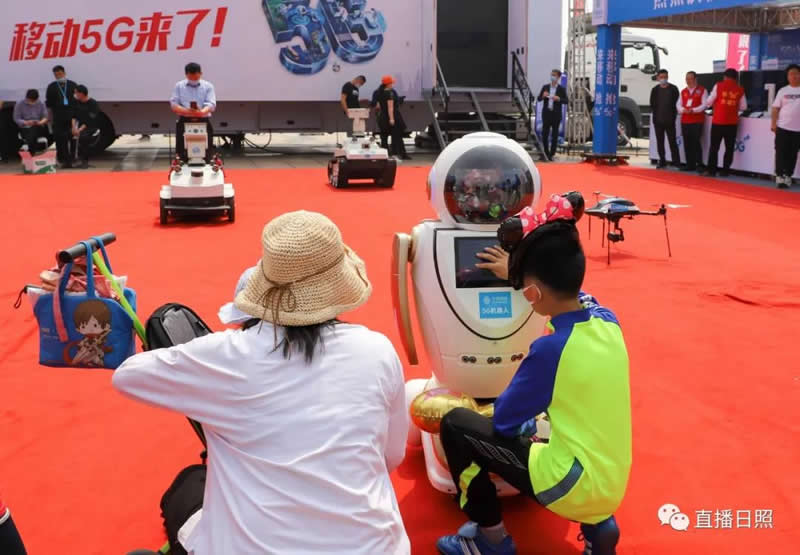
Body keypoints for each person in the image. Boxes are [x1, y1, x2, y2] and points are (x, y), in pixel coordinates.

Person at [112, 210, 410, 555]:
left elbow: (127, 375)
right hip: (376, 547)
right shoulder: (377, 349)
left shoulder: (227, 354)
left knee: (187, 488)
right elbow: (390, 456)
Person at [435, 198, 632, 555]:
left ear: (533, 292)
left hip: (569, 486)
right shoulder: (608, 321)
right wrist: (519, 270)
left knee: (457, 426)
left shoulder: (549, 351)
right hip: (611, 483)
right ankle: (600, 528)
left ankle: (489, 539)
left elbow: (505, 421)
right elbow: (582, 297)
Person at [704, 68, 747, 177]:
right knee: (729, 148)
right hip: (732, 123)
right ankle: (725, 171)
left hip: (718, 121)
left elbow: (708, 102)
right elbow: (743, 107)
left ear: (725, 77)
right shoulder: (740, 89)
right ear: (736, 78)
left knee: (714, 147)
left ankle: (711, 171)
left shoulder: (718, 86)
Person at [170, 63, 216, 163]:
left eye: (196, 78)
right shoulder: (179, 86)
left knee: (206, 146)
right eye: (191, 78)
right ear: (186, 75)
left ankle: (206, 164)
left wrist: (201, 112)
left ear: (201, 74)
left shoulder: (208, 86)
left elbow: (211, 104)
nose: (193, 80)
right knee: (182, 148)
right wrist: (187, 111)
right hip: (185, 120)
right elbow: (174, 104)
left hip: (203, 120)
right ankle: (182, 165)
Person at [771, 64, 800, 189]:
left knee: (793, 153)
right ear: (787, 77)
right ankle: (779, 176)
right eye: (791, 74)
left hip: (798, 129)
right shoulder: (783, 91)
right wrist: (773, 123)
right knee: (780, 152)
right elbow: (775, 108)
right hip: (783, 127)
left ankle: (788, 175)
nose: (794, 76)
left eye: (796, 73)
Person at [45, 65, 78, 168]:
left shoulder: (72, 85)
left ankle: (72, 159)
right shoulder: (51, 87)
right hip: (58, 116)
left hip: (71, 115)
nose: (58, 76)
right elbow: (49, 103)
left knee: (73, 138)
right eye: (56, 75)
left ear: (64, 73)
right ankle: (62, 159)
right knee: (59, 139)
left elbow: (77, 100)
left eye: (60, 74)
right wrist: (49, 117)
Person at [676, 71, 708, 173]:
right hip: (685, 120)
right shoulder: (683, 91)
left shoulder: (702, 90)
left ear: (695, 79)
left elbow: (705, 104)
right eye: (687, 79)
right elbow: (678, 104)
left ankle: (699, 164)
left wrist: (693, 110)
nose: (688, 81)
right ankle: (690, 164)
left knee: (696, 142)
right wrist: (683, 110)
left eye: (690, 78)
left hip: (697, 120)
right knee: (687, 143)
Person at [649, 69, 681, 169]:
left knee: (672, 142)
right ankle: (662, 161)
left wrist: (673, 116)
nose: (663, 79)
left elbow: (677, 103)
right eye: (661, 77)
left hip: (670, 120)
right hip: (658, 121)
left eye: (665, 77)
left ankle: (676, 162)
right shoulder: (655, 90)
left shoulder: (673, 89)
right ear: (658, 78)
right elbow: (652, 104)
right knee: (660, 142)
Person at [378, 75, 411, 160]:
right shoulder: (390, 93)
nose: (392, 84)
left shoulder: (380, 92)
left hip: (383, 117)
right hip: (392, 116)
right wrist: (392, 119)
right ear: (388, 84)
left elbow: (379, 105)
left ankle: (385, 155)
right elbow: (390, 107)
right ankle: (399, 154)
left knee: (384, 137)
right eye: (391, 83)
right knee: (397, 136)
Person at [537, 70, 568, 161]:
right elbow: (539, 99)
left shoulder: (561, 89)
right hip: (546, 114)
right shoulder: (545, 87)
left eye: (554, 75)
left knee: (555, 135)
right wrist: (543, 96)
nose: (552, 77)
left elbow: (566, 101)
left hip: (556, 115)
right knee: (545, 134)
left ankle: (552, 153)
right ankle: (546, 152)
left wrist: (559, 99)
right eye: (551, 75)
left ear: (558, 77)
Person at [71, 85, 100, 169]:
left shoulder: (93, 103)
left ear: (82, 93)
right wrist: (73, 128)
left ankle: (84, 161)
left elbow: (90, 119)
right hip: (78, 125)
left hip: (90, 127)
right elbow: (73, 116)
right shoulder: (76, 102)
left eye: (76, 93)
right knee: (66, 134)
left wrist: (79, 130)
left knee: (84, 137)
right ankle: (70, 159)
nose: (75, 95)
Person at [13, 89, 48, 155]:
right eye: (31, 100)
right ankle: (33, 152)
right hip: (24, 128)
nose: (32, 102)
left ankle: (31, 152)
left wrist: (40, 122)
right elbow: (16, 118)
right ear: (27, 98)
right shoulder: (19, 104)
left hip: (38, 126)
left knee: (33, 129)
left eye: (34, 101)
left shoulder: (41, 103)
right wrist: (26, 122)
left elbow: (45, 117)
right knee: (31, 132)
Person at [371, 82, 389, 149]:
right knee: (385, 132)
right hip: (383, 113)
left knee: (383, 131)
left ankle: (385, 146)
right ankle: (385, 146)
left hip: (381, 113)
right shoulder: (388, 92)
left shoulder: (376, 92)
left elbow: (373, 103)